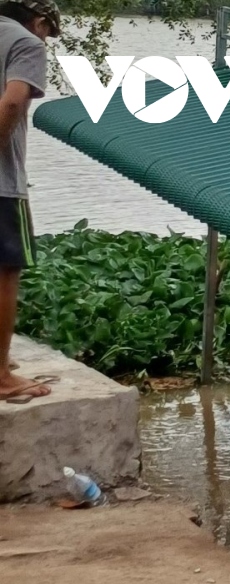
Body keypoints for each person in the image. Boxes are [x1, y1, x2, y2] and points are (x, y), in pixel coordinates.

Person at [0, 0, 56, 403]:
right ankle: (1, 377)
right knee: (5, 272)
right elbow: (15, 101)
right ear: (39, 22)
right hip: (1, 183)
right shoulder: (25, 43)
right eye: (48, 33)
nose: (45, 41)